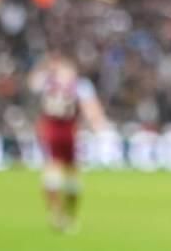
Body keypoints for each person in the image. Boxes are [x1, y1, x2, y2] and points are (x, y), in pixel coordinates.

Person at [28, 50, 109, 233]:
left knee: (54, 169)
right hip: (68, 131)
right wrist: (99, 125)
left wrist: (44, 65)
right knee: (70, 173)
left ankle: (57, 213)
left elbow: (32, 83)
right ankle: (68, 215)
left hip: (51, 130)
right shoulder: (80, 85)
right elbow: (91, 108)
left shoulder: (48, 82)